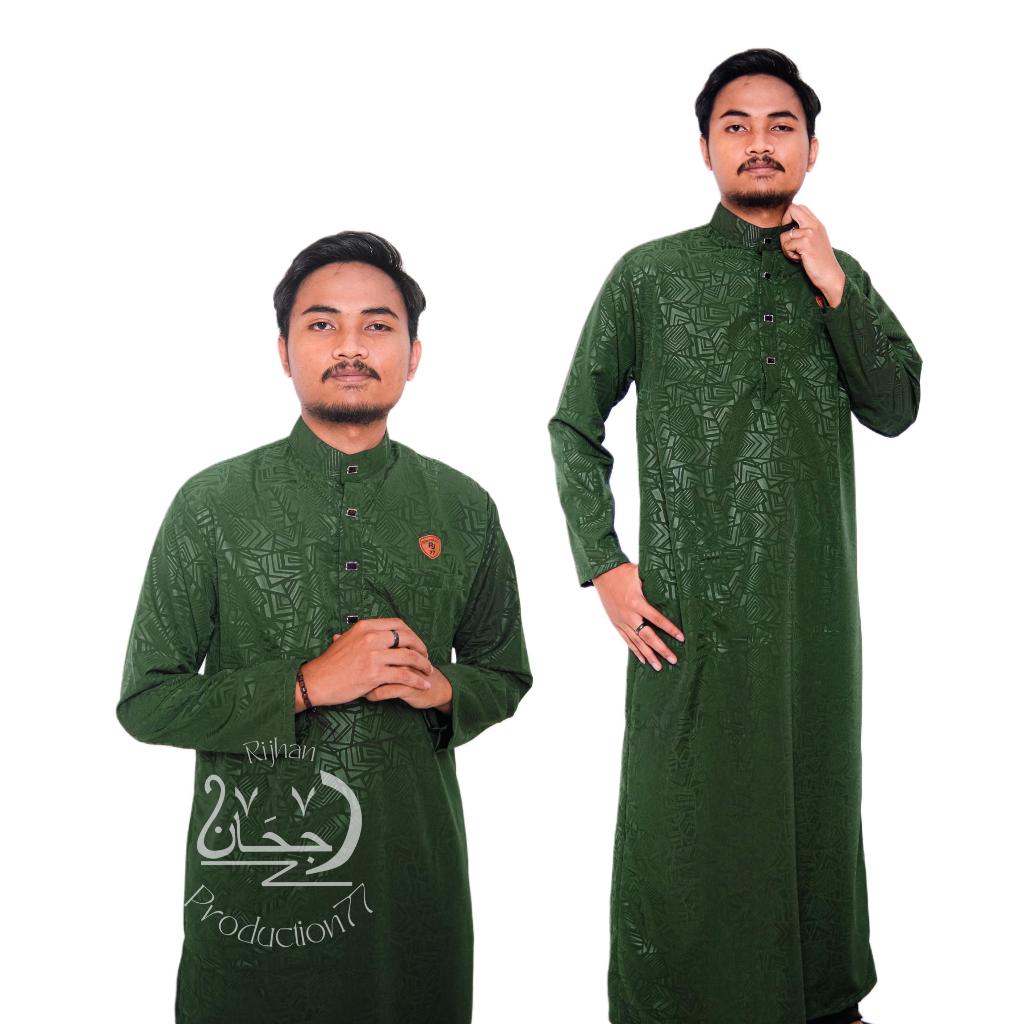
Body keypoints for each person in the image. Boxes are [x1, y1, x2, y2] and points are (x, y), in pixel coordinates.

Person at [548, 48, 921, 1024]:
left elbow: (896, 405)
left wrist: (832, 282)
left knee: (813, 811)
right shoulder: (651, 276)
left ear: (811, 147)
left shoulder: (838, 277)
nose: (759, 143)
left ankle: (821, 1004)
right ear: (706, 147)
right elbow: (573, 424)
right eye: (736, 126)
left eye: (780, 125)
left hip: (811, 622)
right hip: (686, 617)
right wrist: (604, 564)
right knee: (680, 822)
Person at [118, 231, 532, 1024]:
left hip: (415, 897)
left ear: (413, 355)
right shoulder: (212, 506)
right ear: (284, 351)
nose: (350, 346)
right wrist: (305, 686)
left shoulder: (463, 507)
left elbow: (504, 672)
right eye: (322, 324)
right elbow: (147, 701)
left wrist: (447, 690)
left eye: (377, 325)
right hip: (257, 894)